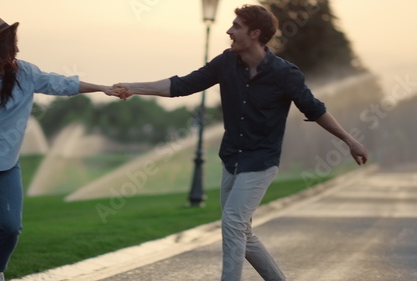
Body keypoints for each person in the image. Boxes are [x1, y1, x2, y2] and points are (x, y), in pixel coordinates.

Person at [113, 4, 368, 281]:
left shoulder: (285, 74)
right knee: (241, 230)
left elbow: (315, 109)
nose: (229, 31)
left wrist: (349, 140)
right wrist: (133, 88)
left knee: (232, 222)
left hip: (261, 161)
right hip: (232, 158)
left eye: (236, 26)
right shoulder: (225, 63)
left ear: (255, 34)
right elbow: (181, 86)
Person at [0, 18, 118, 281]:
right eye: (9, 45)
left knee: (12, 228)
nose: (16, 51)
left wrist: (103, 88)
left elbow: (63, 84)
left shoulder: (26, 73)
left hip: (6, 162)